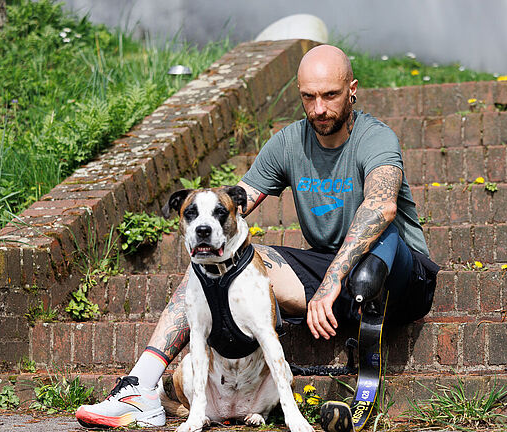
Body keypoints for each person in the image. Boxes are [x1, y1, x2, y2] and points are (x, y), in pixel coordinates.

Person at [75, 44, 438, 429]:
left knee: (380, 242)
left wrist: (332, 282)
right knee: (220, 263)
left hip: (399, 274)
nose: (318, 109)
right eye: (308, 97)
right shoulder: (288, 142)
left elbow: (381, 208)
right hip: (330, 273)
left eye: (330, 95)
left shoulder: (374, 138)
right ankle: (141, 386)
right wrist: (204, 225)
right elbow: (236, 202)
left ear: (352, 88)